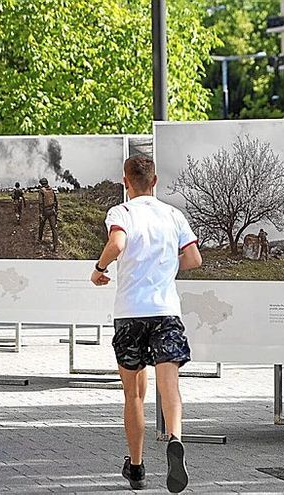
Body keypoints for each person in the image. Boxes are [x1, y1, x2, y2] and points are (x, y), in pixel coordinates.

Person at [90, 155, 202, 493]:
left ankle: (136, 468)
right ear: (155, 182)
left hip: (130, 313)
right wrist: (166, 265)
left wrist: (100, 268)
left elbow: (117, 243)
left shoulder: (121, 213)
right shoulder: (173, 214)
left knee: (134, 395)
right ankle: (176, 438)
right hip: (166, 310)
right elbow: (194, 258)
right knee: (170, 384)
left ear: (126, 181)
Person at [37, 177, 58, 248]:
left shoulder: (41, 190)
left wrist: (40, 213)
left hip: (45, 211)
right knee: (53, 229)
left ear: (41, 184)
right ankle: (55, 246)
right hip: (52, 211)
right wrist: (56, 211)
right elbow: (56, 201)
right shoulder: (52, 190)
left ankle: (39, 240)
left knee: (41, 226)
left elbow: (40, 203)